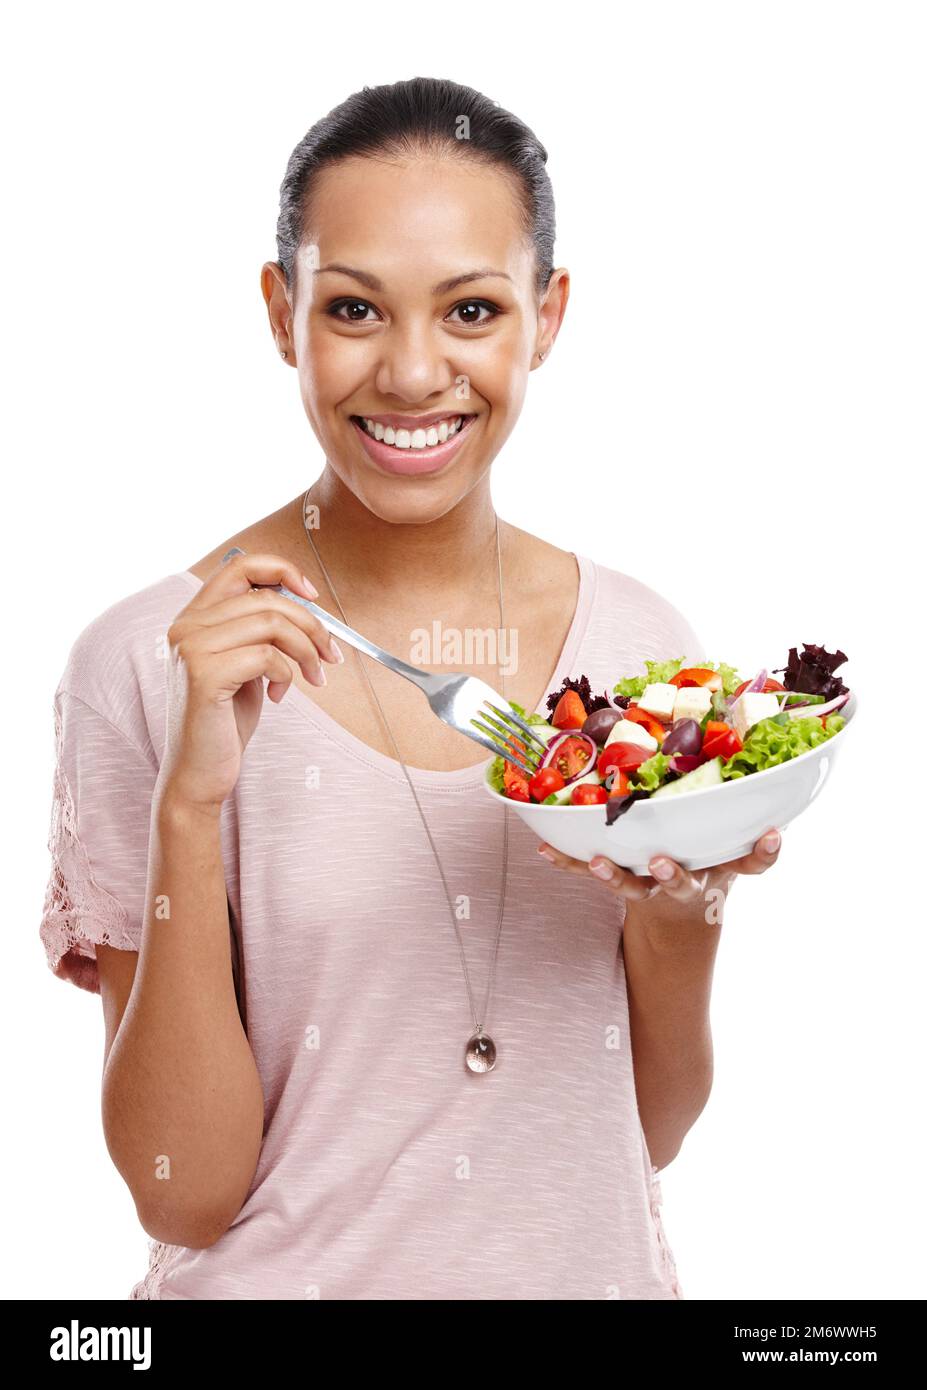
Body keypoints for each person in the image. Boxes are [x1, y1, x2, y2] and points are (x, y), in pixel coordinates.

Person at [39, 76, 782, 1301]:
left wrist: (678, 910)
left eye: (473, 309)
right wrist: (190, 806)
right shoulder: (149, 657)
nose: (414, 371)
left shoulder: (639, 655)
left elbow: (645, 1129)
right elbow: (181, 1186)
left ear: (547, 317)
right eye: (354, 309)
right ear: (283, 314)